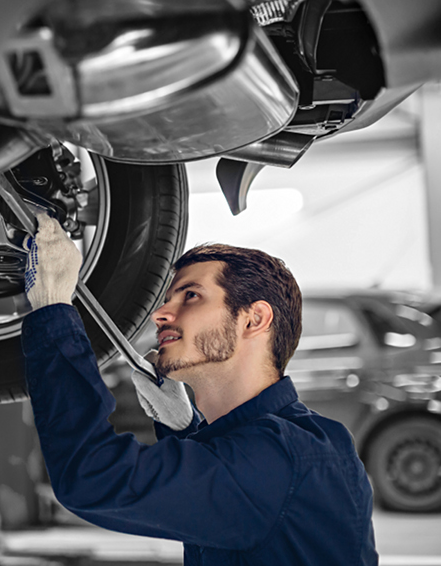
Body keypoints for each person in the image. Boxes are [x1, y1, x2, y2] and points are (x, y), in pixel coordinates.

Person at [21, 213, 378, 565]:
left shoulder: (278, 459)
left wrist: (53, 306)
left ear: (254, 319)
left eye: (190, 296)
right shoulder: (302, 443)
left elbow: (92, 476)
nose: (159, 313)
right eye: (168, 299)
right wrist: (185, 429)